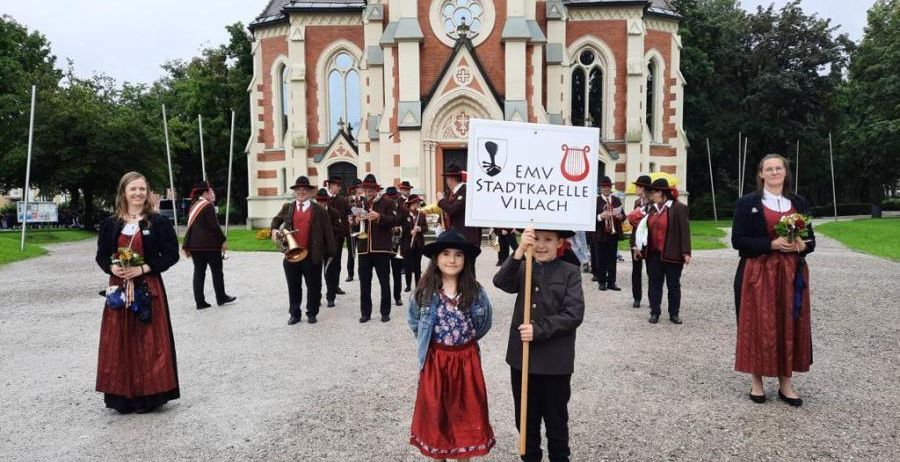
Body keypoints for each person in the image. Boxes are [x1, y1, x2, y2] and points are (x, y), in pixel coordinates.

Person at [493, 227, 585, 462]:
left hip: (555, 363)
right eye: (537, 239)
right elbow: (500, 282)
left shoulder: (570, 272)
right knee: (525, 420)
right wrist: (520, 249)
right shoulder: (523, 266)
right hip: (522, 360)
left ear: (559, 242)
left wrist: (539, 329)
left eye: (548, 239)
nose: (541, 245)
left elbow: (574, 314)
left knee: (556, 421)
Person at [732, 154, 815, 407]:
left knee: (790, 323)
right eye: (769, 169)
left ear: (785, 172)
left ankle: (786, 384)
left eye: (779, 168)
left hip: (791, 274)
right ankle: (757, 382)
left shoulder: (798, 202)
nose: (775, 172)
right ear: (761, 174)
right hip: (758, 272)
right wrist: (771, 243)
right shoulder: (748, 203)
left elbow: (811, 241)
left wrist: (802, 245)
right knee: (759, 324)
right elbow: (738, 241)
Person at [95, 171, 180, 413]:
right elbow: (101, 255)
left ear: (148, 192)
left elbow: (171, 254)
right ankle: (123, 397)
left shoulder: (159, 222)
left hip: (148, 288)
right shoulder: (110, 223)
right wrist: (112, 267)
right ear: (124, 192)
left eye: (142, 189)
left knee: (149, 341)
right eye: (133, 189)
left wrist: (143, 268)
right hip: (119, 289)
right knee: (119, 340)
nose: (138, 193)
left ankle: (149, 395)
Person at [408, 229, 495, 460]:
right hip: (436, 362)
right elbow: (415, 321)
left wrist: (466, 344)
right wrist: (430, 344)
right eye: (445, 254)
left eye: (458, 254)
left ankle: (463, 456)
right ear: (436, 259)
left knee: (464, 415)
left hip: (466, 363)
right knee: (437, 414)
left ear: (465, 260)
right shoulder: (425, 292)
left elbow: (483, 323)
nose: (452, 259)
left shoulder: (475, 292)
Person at [270, 176, 336, 325]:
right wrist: (274, 230)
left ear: (310, 193)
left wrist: (331, 253)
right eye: (298, 190)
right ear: (295, 192)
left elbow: (328, 232)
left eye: (304, 190)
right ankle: (295, 313)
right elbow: (276, 220)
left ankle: (312, 312)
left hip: (311, 254)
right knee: (293, 286)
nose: (301, 192)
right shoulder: (288, 207)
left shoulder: (319, 210)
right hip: (292, 254)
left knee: (313, 286)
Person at [636, 178, 691, 324]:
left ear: (661, 193)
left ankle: (674, 313)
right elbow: (643, 229)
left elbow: (685, 231)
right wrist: (638, 245)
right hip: (653, 253)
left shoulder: (678, 208)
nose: (651, 194)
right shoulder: (652, 209)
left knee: (673, 284)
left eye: (653, 192)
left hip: (672, 253)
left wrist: (686, 252)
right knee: (654, 283)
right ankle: (654, 312)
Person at [182, 182, 236, 310]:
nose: (213, 194)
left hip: (195, 246)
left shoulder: (194, 205)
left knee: (199, 273)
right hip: (210, 246)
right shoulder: (207, 205)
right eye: (211, 192)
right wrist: (223, 240)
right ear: (205, 193)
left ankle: (200, 302)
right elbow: (214, 226)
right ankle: (221, 297)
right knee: (217, 272)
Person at [356, 174, 400, 323]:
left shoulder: (387, 202)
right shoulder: (360, 203)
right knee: (364, 283)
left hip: (381, 249)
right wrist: (354, 220)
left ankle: (385, 312)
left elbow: (395, 220)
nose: (368, 194)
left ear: (376, 189)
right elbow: (356, 226)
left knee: (384, 282)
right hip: (363, 249)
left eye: (370, 191)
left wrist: (379, 217)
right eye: (365, 190)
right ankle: (365, 313)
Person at [592, 176, 625, 291]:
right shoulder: (595, 201)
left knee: (612, 259)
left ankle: (612, 282)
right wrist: (601, 216)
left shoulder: (616, 200)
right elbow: (590, 218)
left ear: (611, 188)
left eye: (608, 187)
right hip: (600, 234)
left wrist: (621, 217)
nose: (606, 189)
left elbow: (623, 215)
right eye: (603, 187)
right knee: (601, 259)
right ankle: (601, 282)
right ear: (600, 189)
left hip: (613, 234)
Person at [437, 164, 481, 246]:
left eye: (447, 179)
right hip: (456, 238)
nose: (446, 181)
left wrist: (441, 200)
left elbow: (453, 210)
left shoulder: (465, 191)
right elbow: (446, 210)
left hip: (466, 239)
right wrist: (439, 222)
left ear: (450, 179)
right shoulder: (452, 193)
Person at [317, 187, 345, 307]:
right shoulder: (313, 212)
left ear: (327, 201)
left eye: (324, 201)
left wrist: (327, 229)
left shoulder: (334, 212)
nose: (322, 203)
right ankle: (316, 297)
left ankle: (331, 296)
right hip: (317, 247)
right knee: (315, 274)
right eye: (319, 201)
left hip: (330, 246)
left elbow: (339, 229)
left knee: (330, 272)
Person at [628, 175, 652, 308]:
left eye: (637, 186)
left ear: (643, 188)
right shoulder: (637, 202)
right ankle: (637, 297)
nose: (635, 188)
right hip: (636, 239)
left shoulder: (653, 203)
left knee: (651, 270)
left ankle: (651, 298)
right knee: (636, 270)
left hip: (648, 240)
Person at [325, 177, 350, 297]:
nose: (339, 188)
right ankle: (329, 288)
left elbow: (348, 213)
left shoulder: (342, 200)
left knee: (337, 264)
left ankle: (335, 286)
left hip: (339, 237)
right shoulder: (323, 199)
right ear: (330, 185)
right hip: (327, 239)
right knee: (328, 264)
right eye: (337, 185)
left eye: (340, 186)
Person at [401, 194, 428, 291]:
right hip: (408, 243)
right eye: (416, 202)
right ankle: (408, 285)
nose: (418, 204)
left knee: (417, 265)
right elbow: (401, 228)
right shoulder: (404, 214)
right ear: (411, 203)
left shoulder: (421, 214)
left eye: (418, 202)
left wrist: (420, 228)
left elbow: (426, 228)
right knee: (408, 265)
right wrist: (409, 232)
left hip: (418, 244)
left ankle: (418, 284)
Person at [385, 186, 406, 306]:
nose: (392, 200)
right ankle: (387, 297)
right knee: (385, 274)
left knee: (397, 273)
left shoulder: (403, 210)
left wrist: (400, 228)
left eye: (394, 198)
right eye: (390, 198)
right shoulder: (383, 208)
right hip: (384, 244)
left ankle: (397, 296)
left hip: (397, 244)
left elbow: (408, 226)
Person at [345, 178, 363, 283]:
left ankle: (362, 273)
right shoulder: (347, 200)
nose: (360, 189)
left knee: (362, 252)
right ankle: (350, 274)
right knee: (351, 252)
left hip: (361, 227)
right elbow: (345, 212)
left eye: (361, 187)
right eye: (358, 187)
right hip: (351, 228)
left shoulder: (364, 200)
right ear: (354, 189)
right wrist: (349, 218)